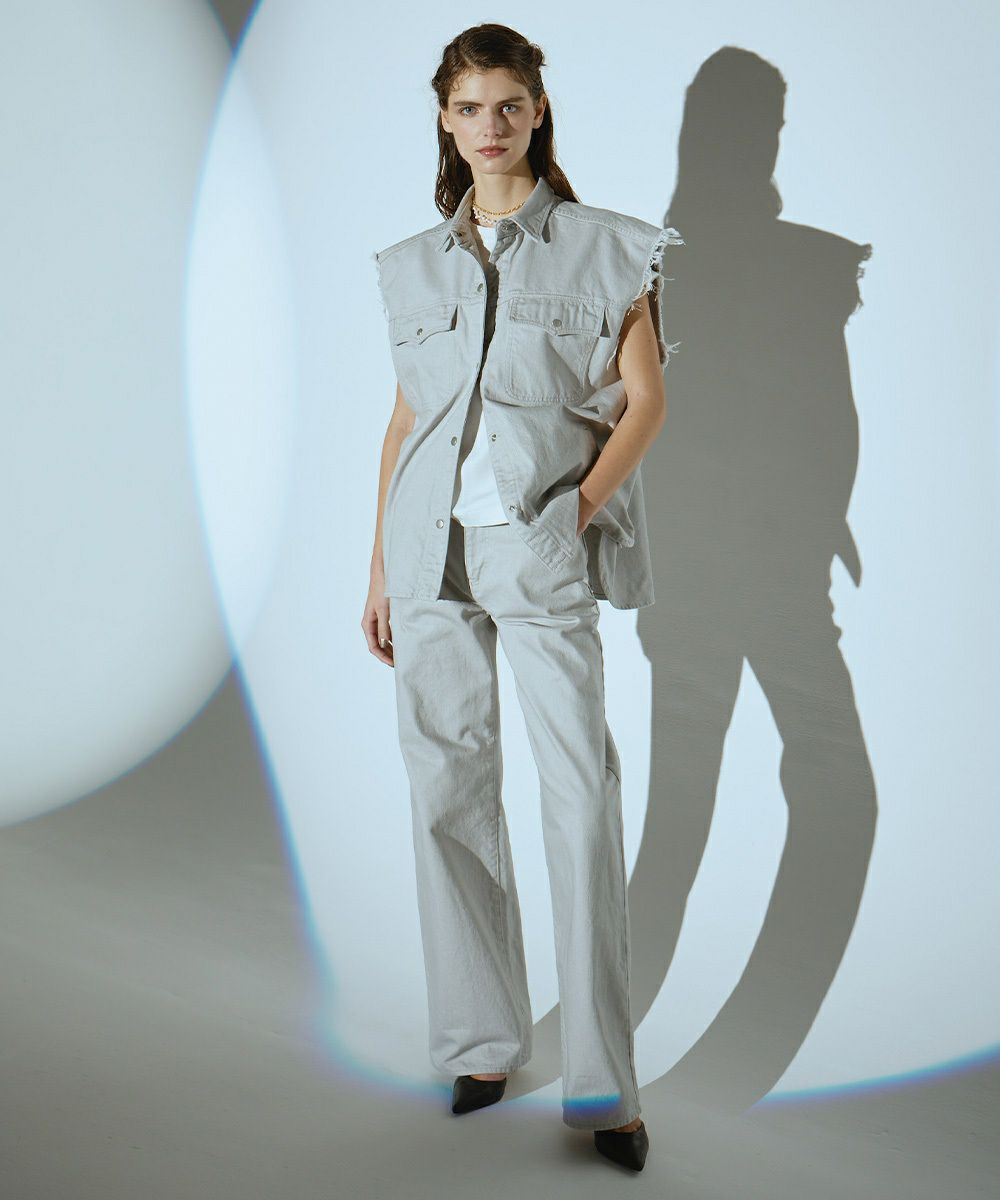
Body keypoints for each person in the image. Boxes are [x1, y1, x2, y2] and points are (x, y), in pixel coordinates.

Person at [362, 23, 683, 1173]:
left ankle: (603, 1091)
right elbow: (408, 418)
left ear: (537, 109)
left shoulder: (611, 247)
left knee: (578, 798)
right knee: (446, 793)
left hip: (538, 551)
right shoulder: (413, 263)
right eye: (467, 108)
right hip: (428, 554)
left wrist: (577, 510)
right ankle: (481, 1044)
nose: (487, 126)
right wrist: (379, 567)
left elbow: (645, 401)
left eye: (507, 104)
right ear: (444, 121)